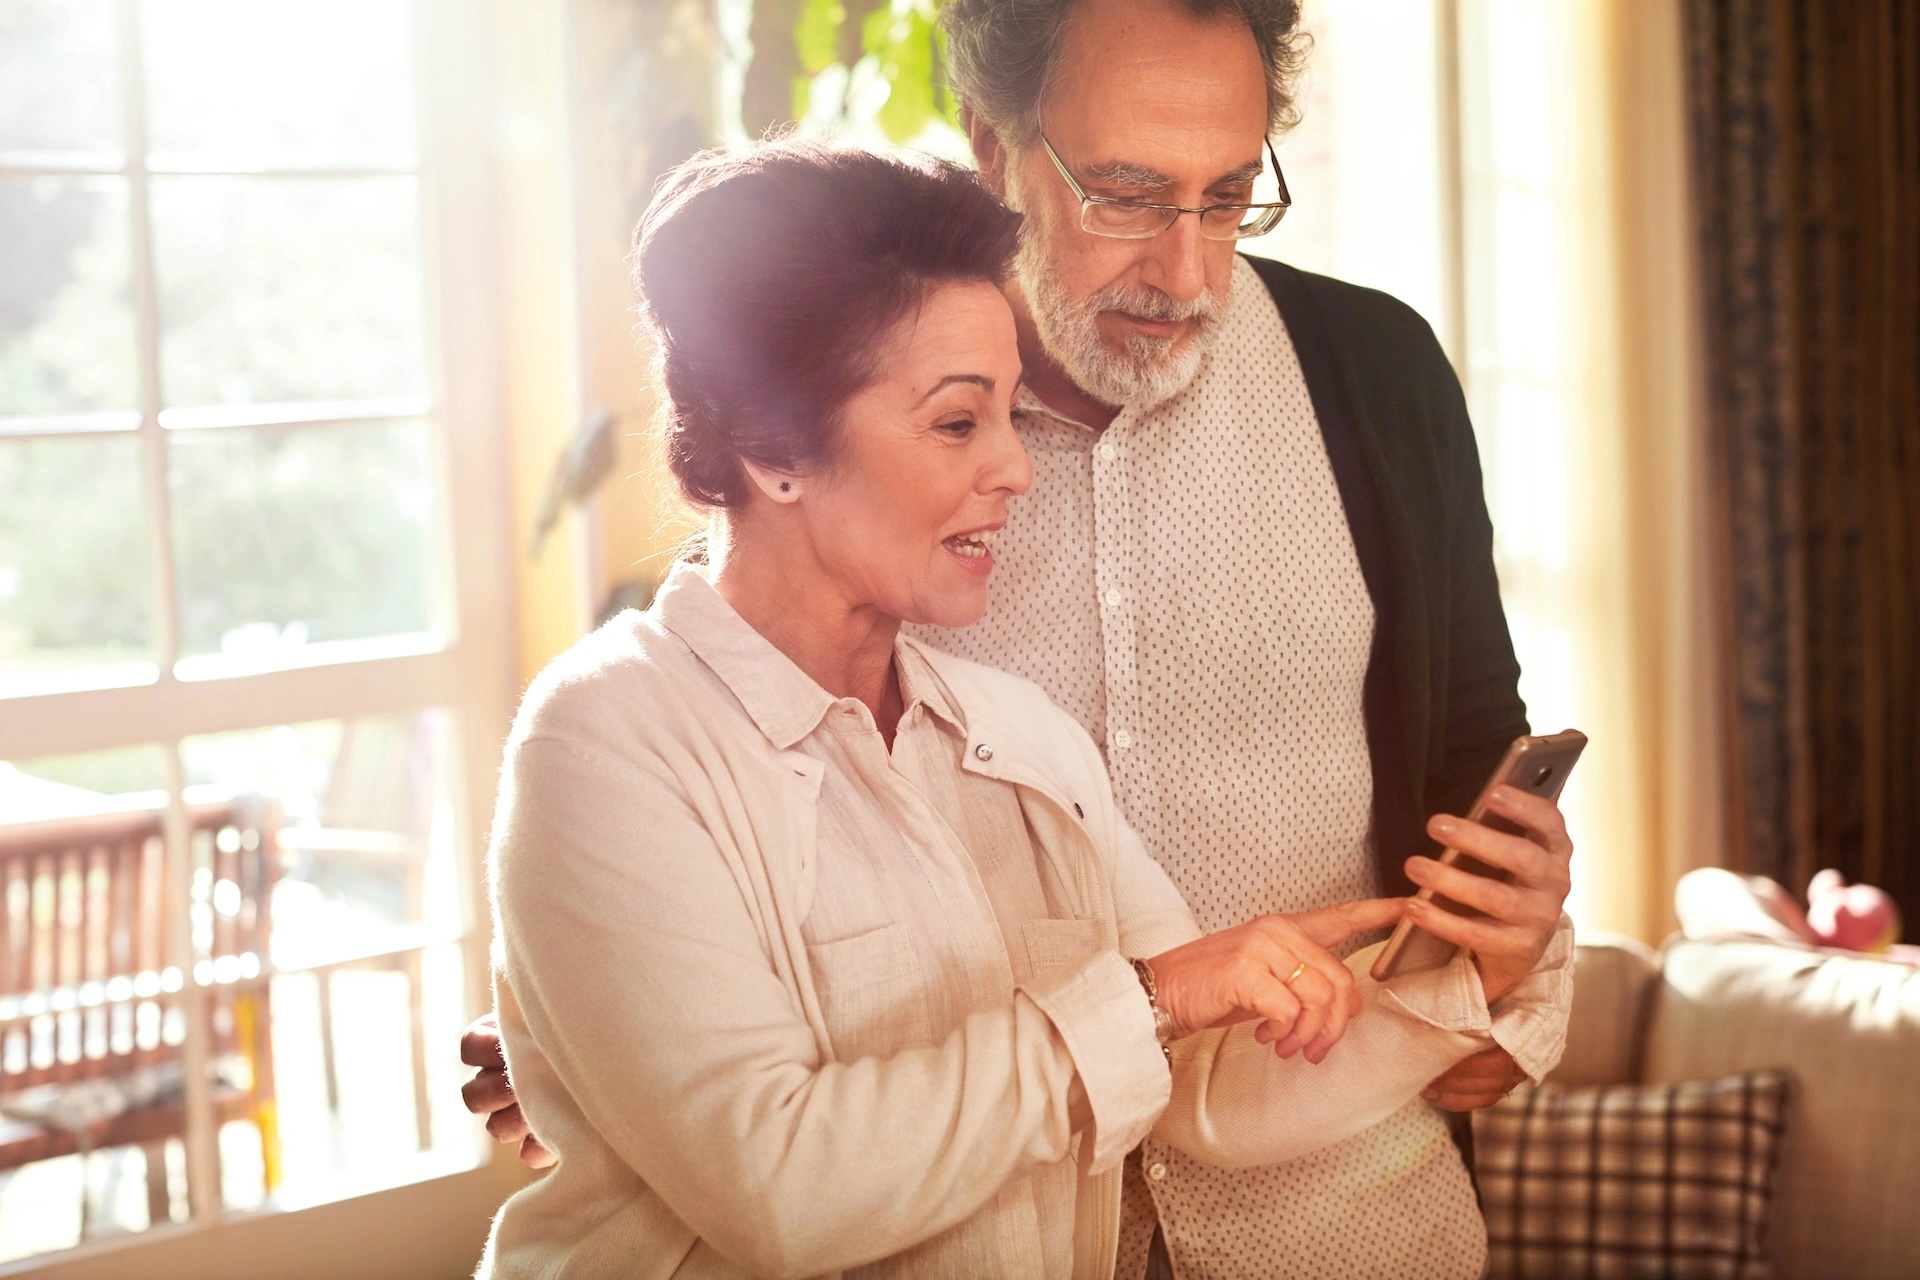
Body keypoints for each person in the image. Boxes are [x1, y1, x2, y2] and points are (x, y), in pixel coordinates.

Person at [468, 0, 1579, 1275]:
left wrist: (1471, 984)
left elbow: (1212, 1071)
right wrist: (619, 1028)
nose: (1187, 270)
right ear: (995, 146)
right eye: (1126, 193)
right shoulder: (621, 723)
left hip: (1342, 1227)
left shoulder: (1008, 729)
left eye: (1225, 199)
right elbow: (777, 1156)